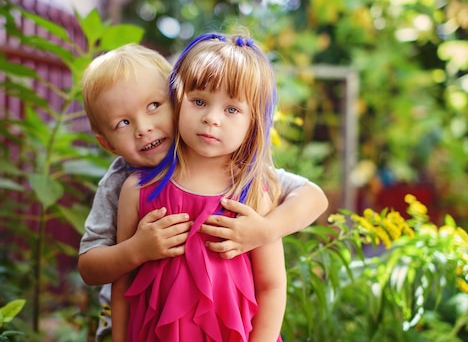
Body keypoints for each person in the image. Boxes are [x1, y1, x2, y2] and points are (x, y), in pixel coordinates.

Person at [77, 43, 328, 341]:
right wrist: (137, 250)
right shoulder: (129, 185)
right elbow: (103, 274)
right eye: (123, 123)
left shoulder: (249, 184)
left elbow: (313, 199)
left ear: (173, 99)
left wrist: (265, 231)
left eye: (154, 106)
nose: (144, 128)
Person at [112, 32, 288, 341]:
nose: (211, 119)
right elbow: (122, 283)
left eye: (231, 109)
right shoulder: (138, 190)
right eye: (199, 101)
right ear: (176, 102)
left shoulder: (252, 194)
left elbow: (271, 285)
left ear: (253, 123)